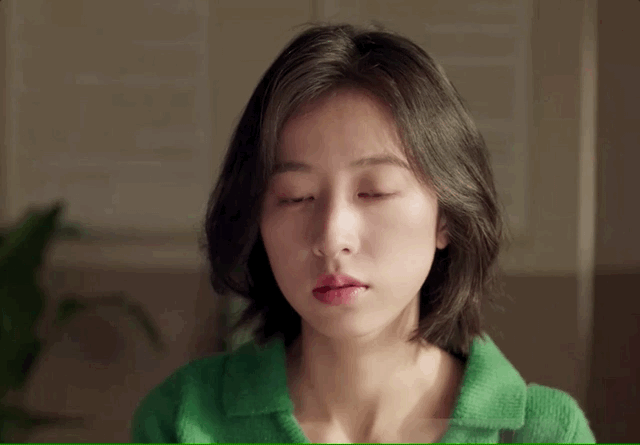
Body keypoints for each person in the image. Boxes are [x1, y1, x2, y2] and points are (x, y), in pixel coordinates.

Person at [130, 23, 596, 443]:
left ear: (446, 218)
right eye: (295, 197)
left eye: (374, 192)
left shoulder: (543, 432)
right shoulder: (184, 419)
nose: (332, 238)